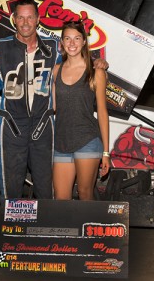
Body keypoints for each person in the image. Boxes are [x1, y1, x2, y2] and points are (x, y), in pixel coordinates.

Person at [0, 0, 108, 199]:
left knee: (46, 187)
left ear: (38, 19)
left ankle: (46, 228)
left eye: (30, 17)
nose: (25, 23)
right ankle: (11, 227)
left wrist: (97, 62)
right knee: (10, 185)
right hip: (12, 125)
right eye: (21, 17)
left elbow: (75, 57)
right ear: (14, 19)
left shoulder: (54, 48)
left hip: (44, 125)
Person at [52, 21, 110, 201]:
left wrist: (106, 153)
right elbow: (53, 108)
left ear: (84, 41)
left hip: (87, 140)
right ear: (61, 43)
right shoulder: (55, 71)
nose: (72, 43)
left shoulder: (96, 72)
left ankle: (89, 229)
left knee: (85, 193)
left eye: (77, 38)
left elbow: (102, 112)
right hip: (61, 142)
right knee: (61, 199)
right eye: (67, 39)